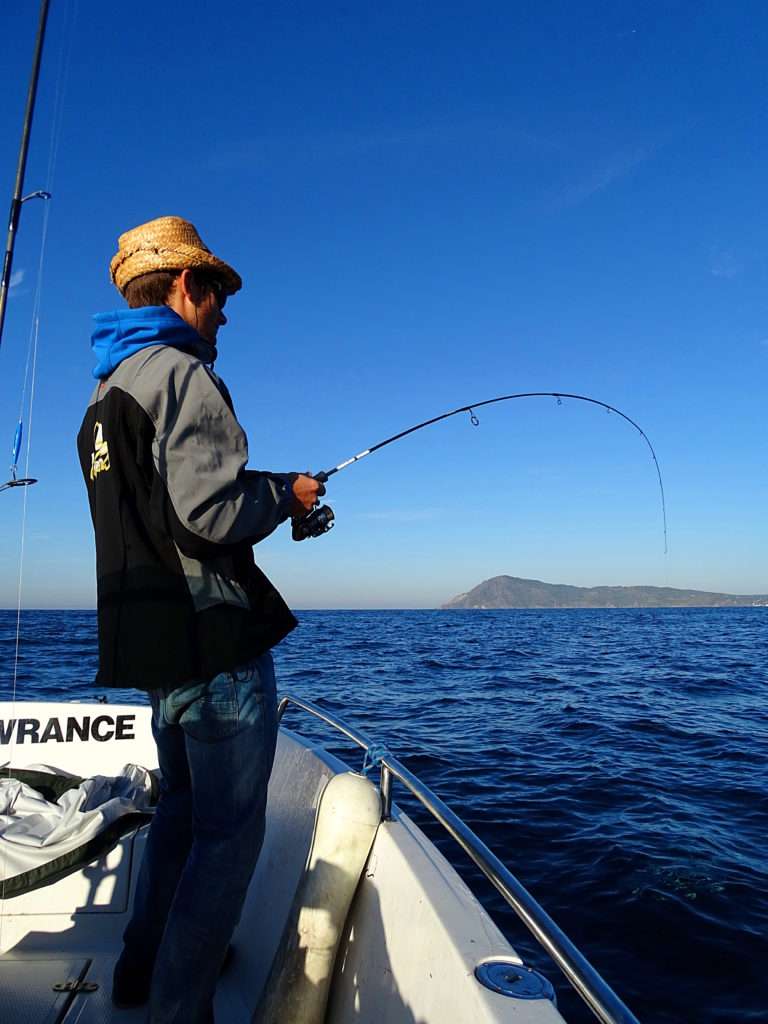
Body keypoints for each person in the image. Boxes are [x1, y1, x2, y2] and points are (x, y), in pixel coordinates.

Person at [76, 215, 325, 1024]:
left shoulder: (105, 396)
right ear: (187, 286)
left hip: (154, 649)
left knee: (180, 811)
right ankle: (180, 1009)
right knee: (226, 837)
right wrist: (284, 495)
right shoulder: (181, 375)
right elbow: (210, 515)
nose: (225, 311)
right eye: (217, 292)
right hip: (214, 646)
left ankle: (141, 972)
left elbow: (161, 517)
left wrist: (273, 498)